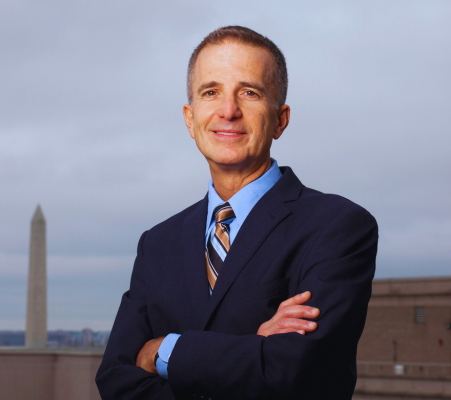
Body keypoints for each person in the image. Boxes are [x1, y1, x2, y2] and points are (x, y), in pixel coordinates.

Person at [96, 26, 378, 400]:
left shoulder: (337, 227)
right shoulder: (157, 244)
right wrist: (251, 348)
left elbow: (293, 370)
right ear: (190, 118)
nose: (228, 111)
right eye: (211, 92)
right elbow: (115, 381)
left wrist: (163, 350)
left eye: (249, 92)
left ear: (280, 119)